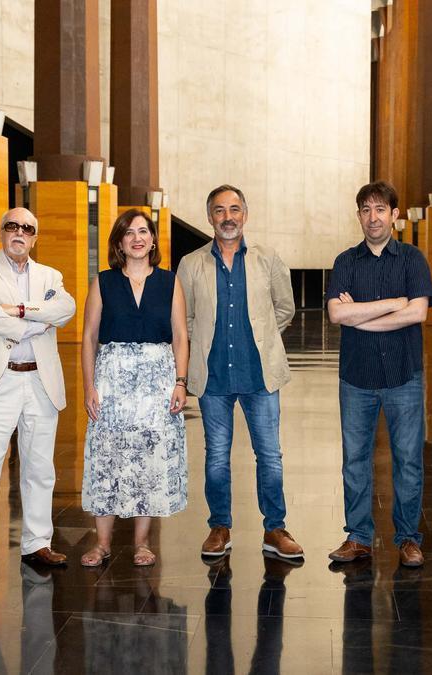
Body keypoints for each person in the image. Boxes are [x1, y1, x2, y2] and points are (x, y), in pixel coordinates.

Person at [178, 184, 302, 561]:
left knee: (270, 455)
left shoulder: (267, 259)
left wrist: (260, 335)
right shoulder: (191, 264)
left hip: (259, 377)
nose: (227, 217)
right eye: (219, 210)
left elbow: (286, 308)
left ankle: (275, 528)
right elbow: (184, 320)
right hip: (213, 378)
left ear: (245, 215)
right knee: (216, 456)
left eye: (234, 209)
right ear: (209, 217)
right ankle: (219, 527)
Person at [0, 207, 77, 575]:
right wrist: (34, 326)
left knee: (40, 468)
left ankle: (37, 543)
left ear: (35, 238)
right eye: (12, 226)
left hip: (40, 382)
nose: (19, 233)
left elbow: (66, 308)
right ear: (1, 232)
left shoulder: (50, 274)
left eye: (27, 228)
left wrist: (22, 309)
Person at [325, 181, 432, 567]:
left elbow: (418, 313)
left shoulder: (412, 259)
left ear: (394, 215)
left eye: (380, 209)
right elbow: (337, 315)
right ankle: (358, 537)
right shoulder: (345, 262)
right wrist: (391, 305)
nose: (373, 217)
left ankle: (407, 538)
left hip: (404, 376)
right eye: (365, 210)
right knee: (354, 460)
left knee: (408, 460)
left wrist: (362, 316)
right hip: (357, 378)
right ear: (358, 216)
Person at [79, 209, 189, 567]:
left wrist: (180, 382)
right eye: (129, 232)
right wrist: (89, 387)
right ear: (119, 242)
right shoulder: (103, 283)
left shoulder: (170, 282)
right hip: (112, 383)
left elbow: (180, 336)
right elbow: (89, 337)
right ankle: (103, 543)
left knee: (148, 460)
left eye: (144, 231)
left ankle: (142, 542)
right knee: (107, 458)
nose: (137, 237)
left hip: (157, 382)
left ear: (153, 239)